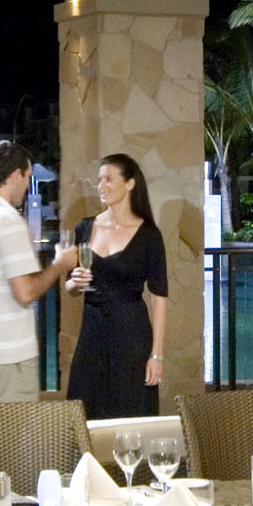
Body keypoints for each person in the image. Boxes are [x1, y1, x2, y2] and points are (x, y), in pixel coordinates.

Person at [0, 141, 77, 405]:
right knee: (15, 432)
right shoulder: (6, 220)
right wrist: (60, 264)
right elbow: (25, 292)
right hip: (7, 356)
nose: (28, 185)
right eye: (28, 177)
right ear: (16, 174)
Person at [64, 154, 168, 419]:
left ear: (130, 184)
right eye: (99, 180)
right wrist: (75, 282)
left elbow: (158, 299)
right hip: (92, 333)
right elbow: (70, 287)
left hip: (131, 334)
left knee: (129, 411)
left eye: (109, 179)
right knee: (85, 409)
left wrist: (156, 355)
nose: (101, 186)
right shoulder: (85, 227)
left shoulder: (149, 235)